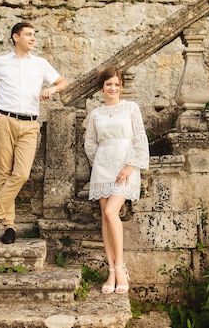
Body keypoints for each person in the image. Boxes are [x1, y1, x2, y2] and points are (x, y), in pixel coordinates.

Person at [0, 21, 68, 245]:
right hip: (5, 120)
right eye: (28, 34)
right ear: (16, 37)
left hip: (30, 124)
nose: (33, 38)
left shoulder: (40, 64)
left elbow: (62, 82)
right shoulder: (0, 63)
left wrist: (51, 89)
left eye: (34, 34)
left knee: (22, 174)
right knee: (4, 174)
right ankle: (9, 226)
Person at [84, 66, 149, 294]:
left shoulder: (131, 108)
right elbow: (90, 144)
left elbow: (140, 138)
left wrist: (130, 165)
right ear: (102, 87)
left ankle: (120, 267)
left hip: (125, 167)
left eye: (116, 84)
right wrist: (100, 161)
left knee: (112, 212)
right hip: (102, 167)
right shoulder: (96, 114)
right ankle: (111, 271)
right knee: (105, 217)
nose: (113, 88)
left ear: (121, 87)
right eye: (109, 84)